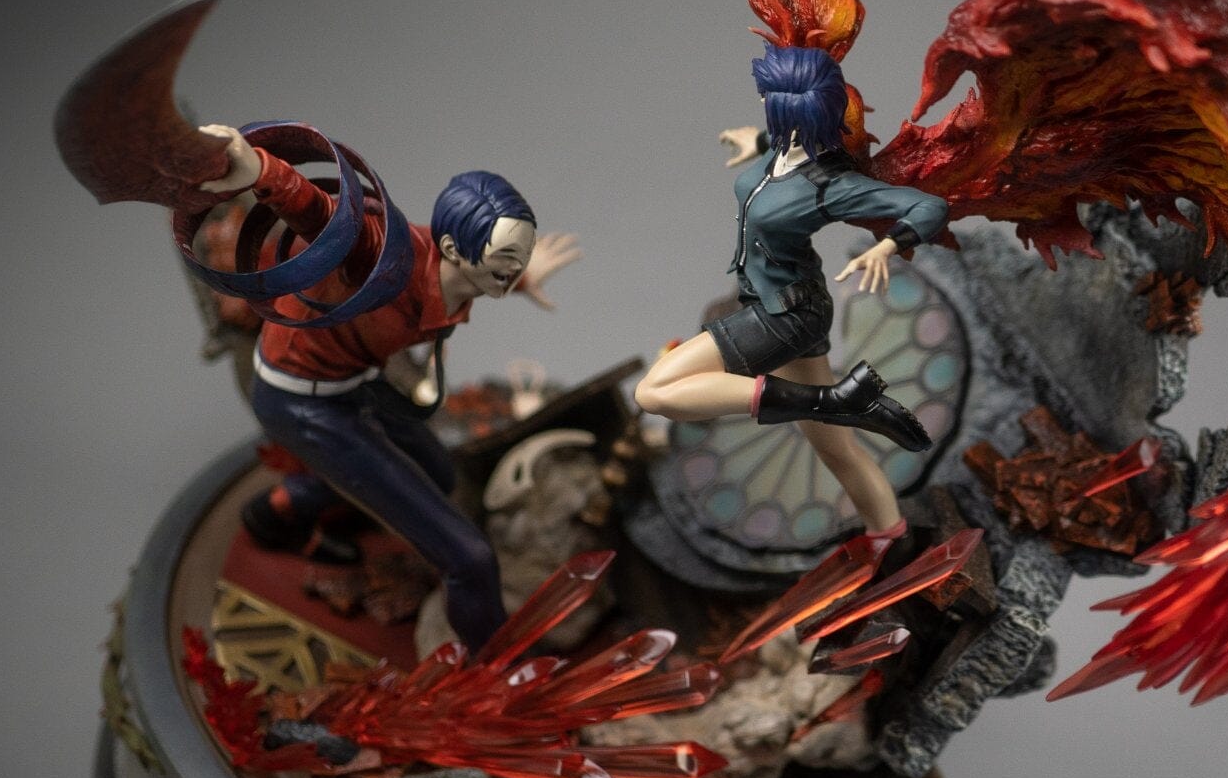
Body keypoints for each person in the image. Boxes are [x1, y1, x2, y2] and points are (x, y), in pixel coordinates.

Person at [195, 124, 578, 647]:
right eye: (509, 256)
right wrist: (261, 171)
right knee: (469, 559)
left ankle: (280, 510)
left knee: (440, 472)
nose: (517, 266)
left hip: (355, 382)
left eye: (523, 253)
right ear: (452, 247)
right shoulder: (380, 256)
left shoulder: (468, 272)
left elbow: (487, 278)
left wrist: (521, 280)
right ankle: (495, 669)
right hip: (302, 402)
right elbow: (320, 211)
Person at [633, 45, 946, 542]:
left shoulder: (829, 184)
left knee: (653, 392)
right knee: (835, 448)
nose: (762, 103)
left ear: (794, 112)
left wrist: (888, 245)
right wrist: (756, 140)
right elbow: (774, 158)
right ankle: (889, 536)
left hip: (784, 315)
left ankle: (833, 400)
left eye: (769, 100)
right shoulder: (780, 150)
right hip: (783, 305)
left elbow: (930, 207)